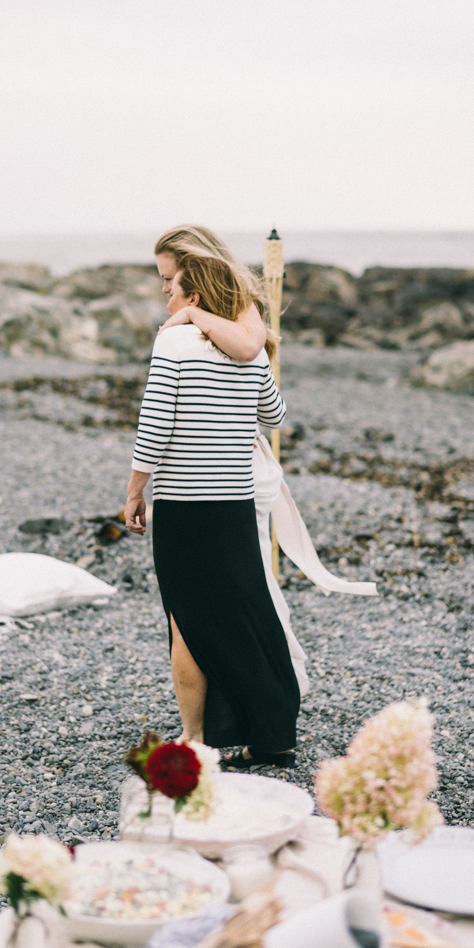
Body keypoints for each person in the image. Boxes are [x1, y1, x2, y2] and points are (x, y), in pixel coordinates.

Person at [124, 253, 300, 769]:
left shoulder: (174, 340)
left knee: (188, 623)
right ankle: (273, 734)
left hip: (184, 507)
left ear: (194, 297)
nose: (166, 297)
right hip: (235, 505)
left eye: (171, 288)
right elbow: (275, 416)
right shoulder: (251, 351)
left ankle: (195, 736)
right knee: (247, 616)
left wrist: (135, 489)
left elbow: (155, 424)